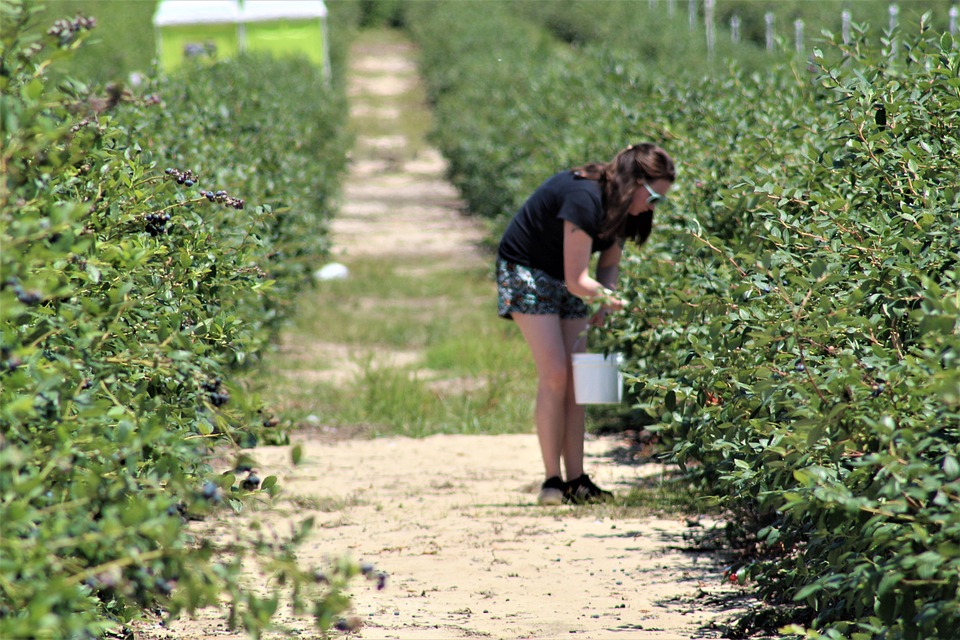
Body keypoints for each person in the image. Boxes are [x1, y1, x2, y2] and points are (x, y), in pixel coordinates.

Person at [496, 143, 676, 505]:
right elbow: (579, 280)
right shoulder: (584, 196)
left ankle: (578, 480)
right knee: (556, 374)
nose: (653, 206)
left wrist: (606, 301)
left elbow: (607, 266)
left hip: (566, 276)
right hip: (526, 269)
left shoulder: (627, 209)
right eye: (654, 196)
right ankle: (551, 482)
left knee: (581, 378)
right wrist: (623, 305)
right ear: (636, 181)